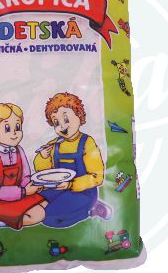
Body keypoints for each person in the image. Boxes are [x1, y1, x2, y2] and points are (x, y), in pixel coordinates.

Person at [34, 92, 112, 228]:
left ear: (79, 115)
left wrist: (71, 185)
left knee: (48, 217)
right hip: (58, 189)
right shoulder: (54, 144)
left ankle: (91, 210)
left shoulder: (87, 142)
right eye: (56, 122)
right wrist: (43, 157)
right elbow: (44, 172)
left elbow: (97, 176)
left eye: (66, 119)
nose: (62, 126)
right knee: (34, 207)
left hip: (83, 192)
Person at [0, 103, 46, 231]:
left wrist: (32, 186)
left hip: (17, 196)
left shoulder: (19, 150)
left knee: (45, 203)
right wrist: (23, 192)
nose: (14, 133)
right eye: (7, 128)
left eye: (18, 127)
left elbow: (26, 176)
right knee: (38, 215)